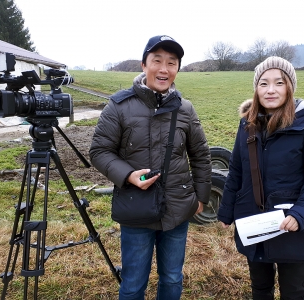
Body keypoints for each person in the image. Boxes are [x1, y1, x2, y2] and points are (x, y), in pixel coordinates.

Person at [89, 35, 211, 299]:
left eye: (172, 62)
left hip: (178, 208)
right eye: (157, 61)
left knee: (172, 277)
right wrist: (128, 175)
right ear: (144, 64)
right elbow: (99, 151)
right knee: (133, 283)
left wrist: (200, 197)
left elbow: (200, 155)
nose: (164, 69)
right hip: (136, 207)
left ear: (177, 68)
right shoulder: (119, 106)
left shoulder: (186, 109)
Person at [217, 56, 304, 299]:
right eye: (263, 83)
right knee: (260, 288)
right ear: (256, 88)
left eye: (279, 83)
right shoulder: (247, 124)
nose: (271, 90)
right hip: (253, 219)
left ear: (290, 87)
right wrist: (226, 211)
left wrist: (300, 213)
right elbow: (236, 170)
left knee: (293, 291)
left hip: (289, 223)